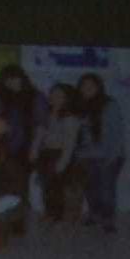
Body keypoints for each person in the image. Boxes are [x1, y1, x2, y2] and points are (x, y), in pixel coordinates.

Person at [75, 73, 126, 233]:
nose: (87, 88)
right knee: (90, 190)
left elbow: (117, 135)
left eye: (91, 85)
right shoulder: (80, 107)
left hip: (108, 155)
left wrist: (111, 158)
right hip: (86, 156)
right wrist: (78, 156)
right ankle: (94, 215)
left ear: (99, 87)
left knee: (106, 190)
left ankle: (108, 220)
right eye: (83, 85)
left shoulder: (110, 105)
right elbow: (78, 135)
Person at [30, 83, 83, 223]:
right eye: (52, 94)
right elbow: (39, 134)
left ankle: (57, 215)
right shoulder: (46, 114)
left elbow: (69, 145)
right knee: (47, 187)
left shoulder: (70, 118)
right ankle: (50, 213)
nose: (54, 97)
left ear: (67, 98)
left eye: (59, 95)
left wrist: (62, 164)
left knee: (57, 188)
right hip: (46, 154)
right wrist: (34, 150)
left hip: (59, 155)